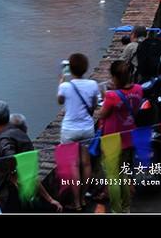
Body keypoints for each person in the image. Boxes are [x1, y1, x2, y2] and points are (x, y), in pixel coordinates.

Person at [0, 100, 63, 213]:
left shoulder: (4, 139)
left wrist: (14, 174)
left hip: (10, 196)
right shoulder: (18, 134)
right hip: (21, 191)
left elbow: (11, 158)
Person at [98, 60, 144, 213]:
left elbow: (102, 114)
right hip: (129, 136)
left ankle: (116, 210)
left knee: (112, 176)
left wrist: (106, 95)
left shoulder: (111, 96)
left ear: (115, 77)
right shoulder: (138, 89)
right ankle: (126, 208)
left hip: (112, 139)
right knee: (124, 173)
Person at [56, 52, 100, 211]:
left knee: (73, 165)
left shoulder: (65, 86)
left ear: (70, 69)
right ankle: (83, 197)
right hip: (87, 128)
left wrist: (61, 82)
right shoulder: (93, 85)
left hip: (69, 130)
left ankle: (76, 202)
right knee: (86, 162)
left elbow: (60, 101)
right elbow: (94, 105)